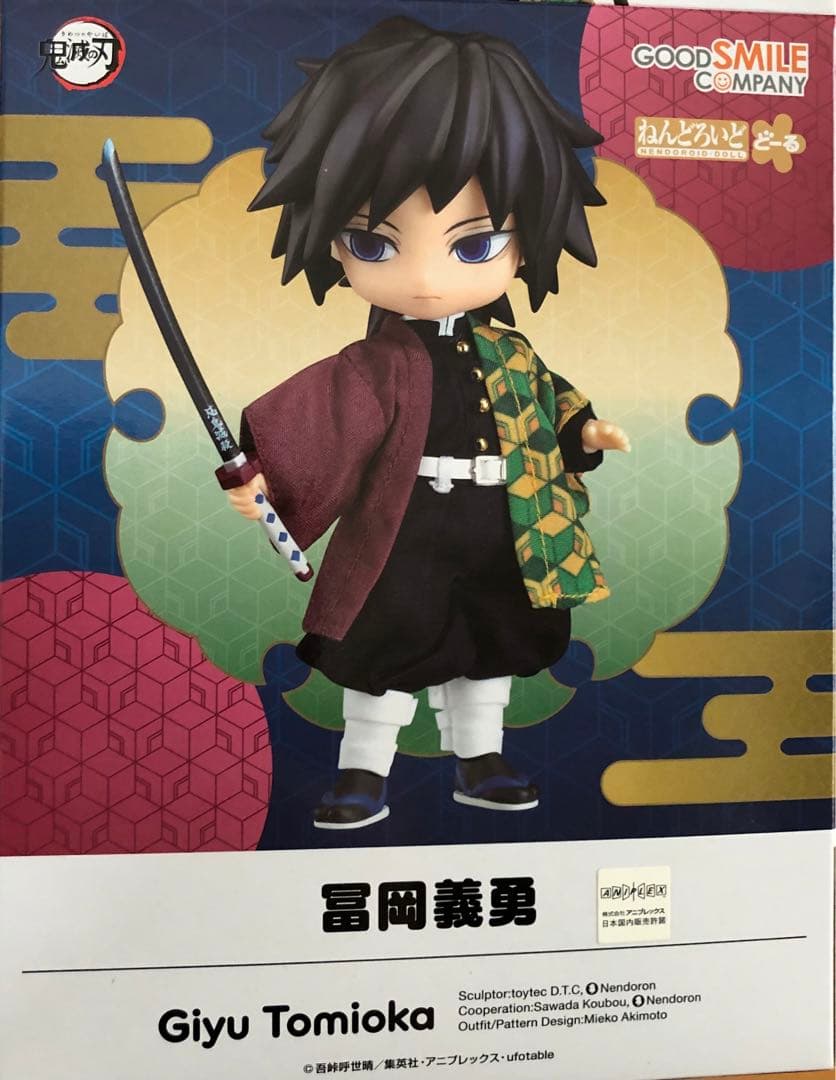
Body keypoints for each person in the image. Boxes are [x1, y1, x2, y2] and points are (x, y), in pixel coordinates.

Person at [227, 17, 630, 830]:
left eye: (473, 245)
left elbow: (550, 403)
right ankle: (361, 769)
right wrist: (261, 471)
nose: (424, 278)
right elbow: (320, 420)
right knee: (385, 645)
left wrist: (582, 433)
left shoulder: (512, 354)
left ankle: (481, 756)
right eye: (373, 243)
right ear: (332, 241)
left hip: (501, 522)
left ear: (527, 240)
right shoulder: (374, 364)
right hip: (403, 525)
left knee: (492, 640)